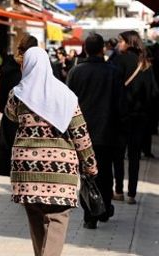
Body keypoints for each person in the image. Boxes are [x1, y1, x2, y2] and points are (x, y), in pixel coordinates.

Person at [5, 47, 98, 256]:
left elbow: (10, 116)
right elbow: (80, 134)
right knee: (57, 219)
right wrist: (90, 164)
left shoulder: (17, 94)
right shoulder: (66, 96)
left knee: (36, 220)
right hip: (59, 172)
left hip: (25, 170)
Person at [67, 33, 124, 228]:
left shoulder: (76, 72)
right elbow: (120, 104)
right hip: (108, 130)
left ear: (85, 48)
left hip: (82, 131)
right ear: (102, 49)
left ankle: (89, 214)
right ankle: (104, 208)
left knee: (86, 174)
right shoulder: (114, 72)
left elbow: (68, 103)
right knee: (106, 172)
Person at [111, 30, 159, 204]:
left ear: (128, 43)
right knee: (134, 155)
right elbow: (154, 92)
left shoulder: (118, 61)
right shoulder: (145, 64)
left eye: (121, 41)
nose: (118, 44)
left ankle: (118, 191)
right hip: (140, 117)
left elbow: (112, 86)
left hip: (121, 115)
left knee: (118, 154)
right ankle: (131, 193)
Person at [0, 35, 37, 176]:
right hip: (34, 117)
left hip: (11, 115)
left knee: (13, 152)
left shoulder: (8, 67)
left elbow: (1, 91)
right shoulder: (39, 66)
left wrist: (3, 108)